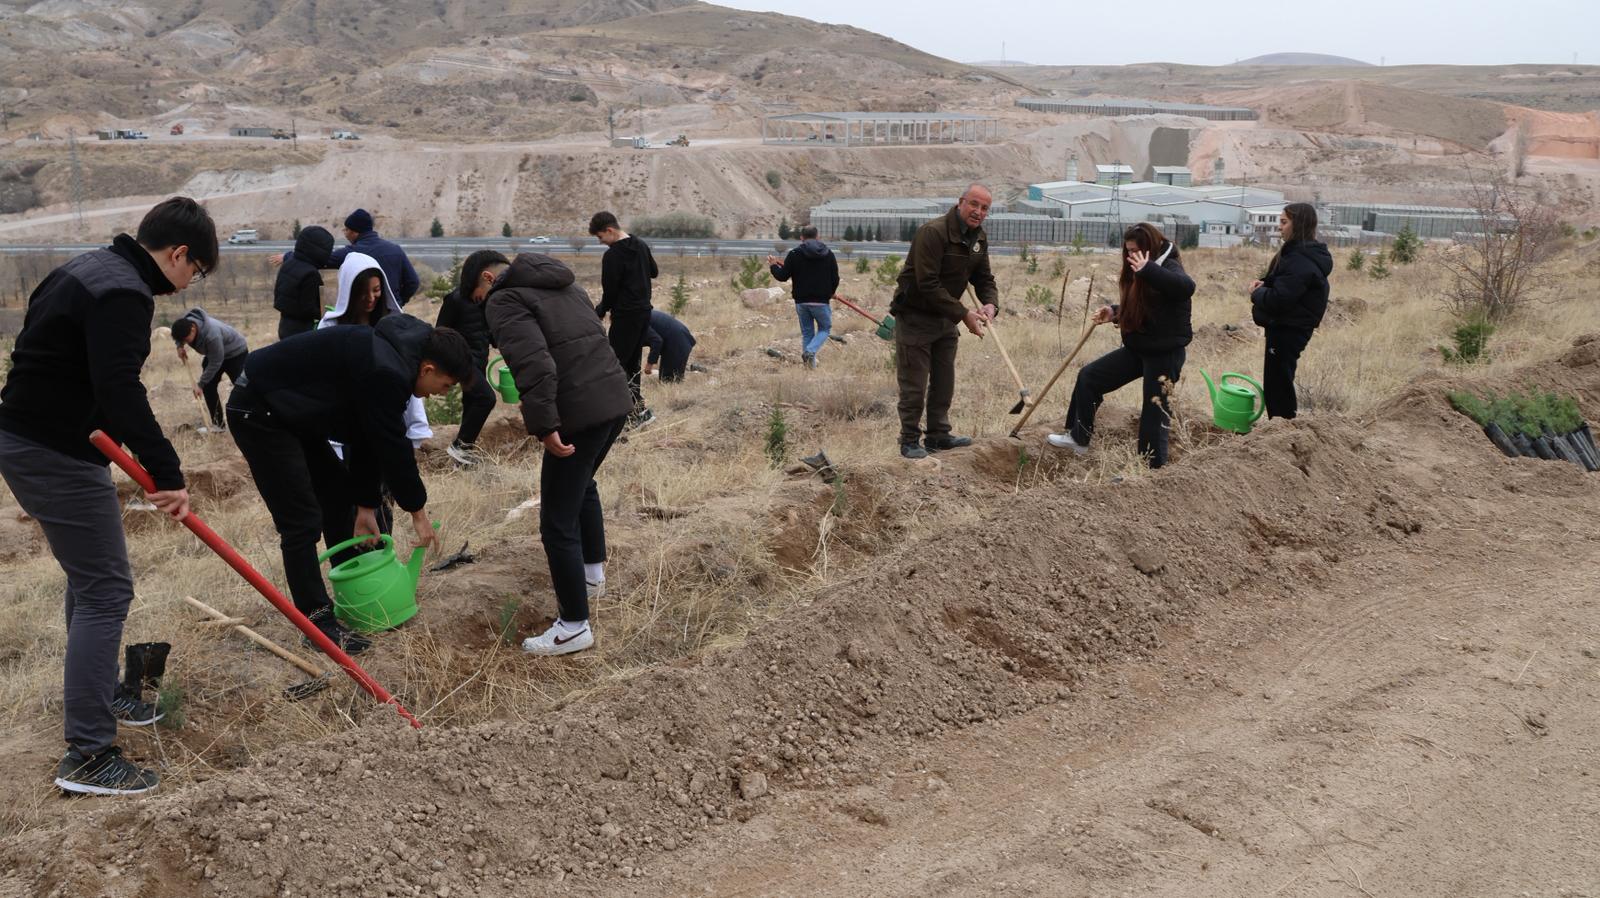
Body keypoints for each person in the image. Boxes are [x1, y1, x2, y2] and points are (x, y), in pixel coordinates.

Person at [0, 196, 216, 796]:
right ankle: (90, 755)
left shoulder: (86, 267)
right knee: (107, 589)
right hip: (56, 451)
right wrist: (168, 470)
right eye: (194, 271)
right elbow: (119, 389)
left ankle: (99, 698)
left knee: (89, 579)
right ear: (178, 254)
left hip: (37, 441)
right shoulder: (124, 294)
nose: (187, 284)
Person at [225, 316, 465, 653]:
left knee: (339, 497)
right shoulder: (389, 370)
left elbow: (369, 435)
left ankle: (354, 594)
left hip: (290, 411)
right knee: (301, 521)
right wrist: (418, 512)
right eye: (445, 386)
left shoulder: (397, 358)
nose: (441, 395)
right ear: (427, 369)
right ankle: (318, 622)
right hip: (259, 409)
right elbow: (393, 447)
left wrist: (366, 506)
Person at [484, 253, 633, 657]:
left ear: (486, 279)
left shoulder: (504, 299)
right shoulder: (565, 284)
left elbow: (533, 363)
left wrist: (545, 423)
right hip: (613, 399)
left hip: (579, 415)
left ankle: (572, 626)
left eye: (477, 296)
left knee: (556, 521)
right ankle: (592, 576)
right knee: (583, 485)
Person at [1048, 222, 1194, 469]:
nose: (1129, 256)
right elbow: (1144, 307)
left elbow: (1186, 287)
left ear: (1149, 248)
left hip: (1165, 354)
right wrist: (1114, 312)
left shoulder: (1168, 266)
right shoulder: (1137, 268)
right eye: (1127, 250)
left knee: (1154, 411)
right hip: (1139, 348)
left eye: (1135, 250)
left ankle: (1152, 469)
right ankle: (1078, 437)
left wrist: (1148, 269)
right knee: (1089, 378)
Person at [889, 184, 998, 460]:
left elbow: (984, 278)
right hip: (916, 316)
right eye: (974, 204)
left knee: (944, 380)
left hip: (945, 319)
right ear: (961, 202)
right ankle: (910, 440)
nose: (978, 212)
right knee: (914, 383)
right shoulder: (933, 233)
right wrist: (964, 314)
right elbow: (927, 283)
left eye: (984, 208)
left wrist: (990, 304)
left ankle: (938, 435)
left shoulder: (978, 238)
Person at [1250, 203, 1332, 419]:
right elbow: (1282, 286)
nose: (1280, 227)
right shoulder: (1297, 255)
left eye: (1284, 222)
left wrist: (1256, 294)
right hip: (1287, 327)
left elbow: (1279, 299)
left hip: (1289, 329)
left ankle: (1282, 430)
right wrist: (1265, 285)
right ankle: (1281, 429)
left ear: (1299, 224)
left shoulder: (1300, 260)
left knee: (1278, 384)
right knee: (1277, 380)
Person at [438, 250, 508, 467]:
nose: (481, 296)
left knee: (472, 405)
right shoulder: (455, 300)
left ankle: (462, 457)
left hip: (479, 363)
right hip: (462, 362)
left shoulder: (490, 303)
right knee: (486, 398)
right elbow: (440, 332)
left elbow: (491, 336)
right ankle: (460, 447)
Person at [589, 211, 657, 430]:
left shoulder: (613, 256)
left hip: (626, 316)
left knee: (616, 364)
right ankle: (638, 414)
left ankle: (633, 412)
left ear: (610, 230)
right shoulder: (641, 245)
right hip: (644, 312)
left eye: (600, 237)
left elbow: (610, 292)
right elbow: (654, 272)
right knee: (632, 363)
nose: (600, 242)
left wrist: (599, 310)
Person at [278, 209, 420, 307]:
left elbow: (318, 259)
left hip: (365, 315)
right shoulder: (396, 250)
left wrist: (287, 256)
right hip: (392, 314)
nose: (345, 234)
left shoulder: (350, 253)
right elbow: (413, 282)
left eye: (346, 230)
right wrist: (397, 301)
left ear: (354, 232)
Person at [766, 226, 839, 369]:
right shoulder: (828, 254)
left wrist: (774, 266)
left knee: (807, 333)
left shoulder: (794, 254)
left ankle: (809, 366)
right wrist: (831, 292)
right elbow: (835, 278)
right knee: (825, 328)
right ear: (818, 236)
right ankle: (810, 352)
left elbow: (782, 276)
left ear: (801, 238)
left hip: (802, 302)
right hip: (821, 301)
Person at [171, 308, 249, 432]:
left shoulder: (212, 335)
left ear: (193, 329)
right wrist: (179, 346)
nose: (185, 342)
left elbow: (216, 362)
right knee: (208, 386)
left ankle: (251, 418)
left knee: (242, 387)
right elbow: (178, 336)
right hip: (215, 354)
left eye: (186, 340)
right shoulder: (184, 325)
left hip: (235, 353)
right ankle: (218, 425)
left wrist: (200, 384)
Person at [273, 225, 335, 339]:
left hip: (284, 325)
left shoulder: (288, 263)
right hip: (302, 330)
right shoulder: (311, 274)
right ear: (321, 251)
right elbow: (308, 309)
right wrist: (327, 313)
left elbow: (278, 295)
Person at [642, 309, 696, 382]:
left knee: (669, 380)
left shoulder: (637, 321)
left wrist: (650, 363)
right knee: (667, 378)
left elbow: (657, 341)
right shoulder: (636, 316)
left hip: (677, 340)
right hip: (674, 337)